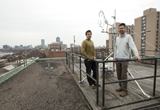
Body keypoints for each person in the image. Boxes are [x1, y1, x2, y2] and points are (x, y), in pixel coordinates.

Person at [114, 23, 141, 97]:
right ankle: (121, 86)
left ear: (125, 29)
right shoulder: (117, 38)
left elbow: (133, 46)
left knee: (123, 75)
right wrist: (115, 56)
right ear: (118, 29)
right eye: (120, 28)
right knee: (118, 74)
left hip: (125, 59)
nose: (121, 29)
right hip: (118, 59)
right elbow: (115, 48)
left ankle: (124, 90)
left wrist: (137, 55)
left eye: (122, 28)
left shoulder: (128, 37)